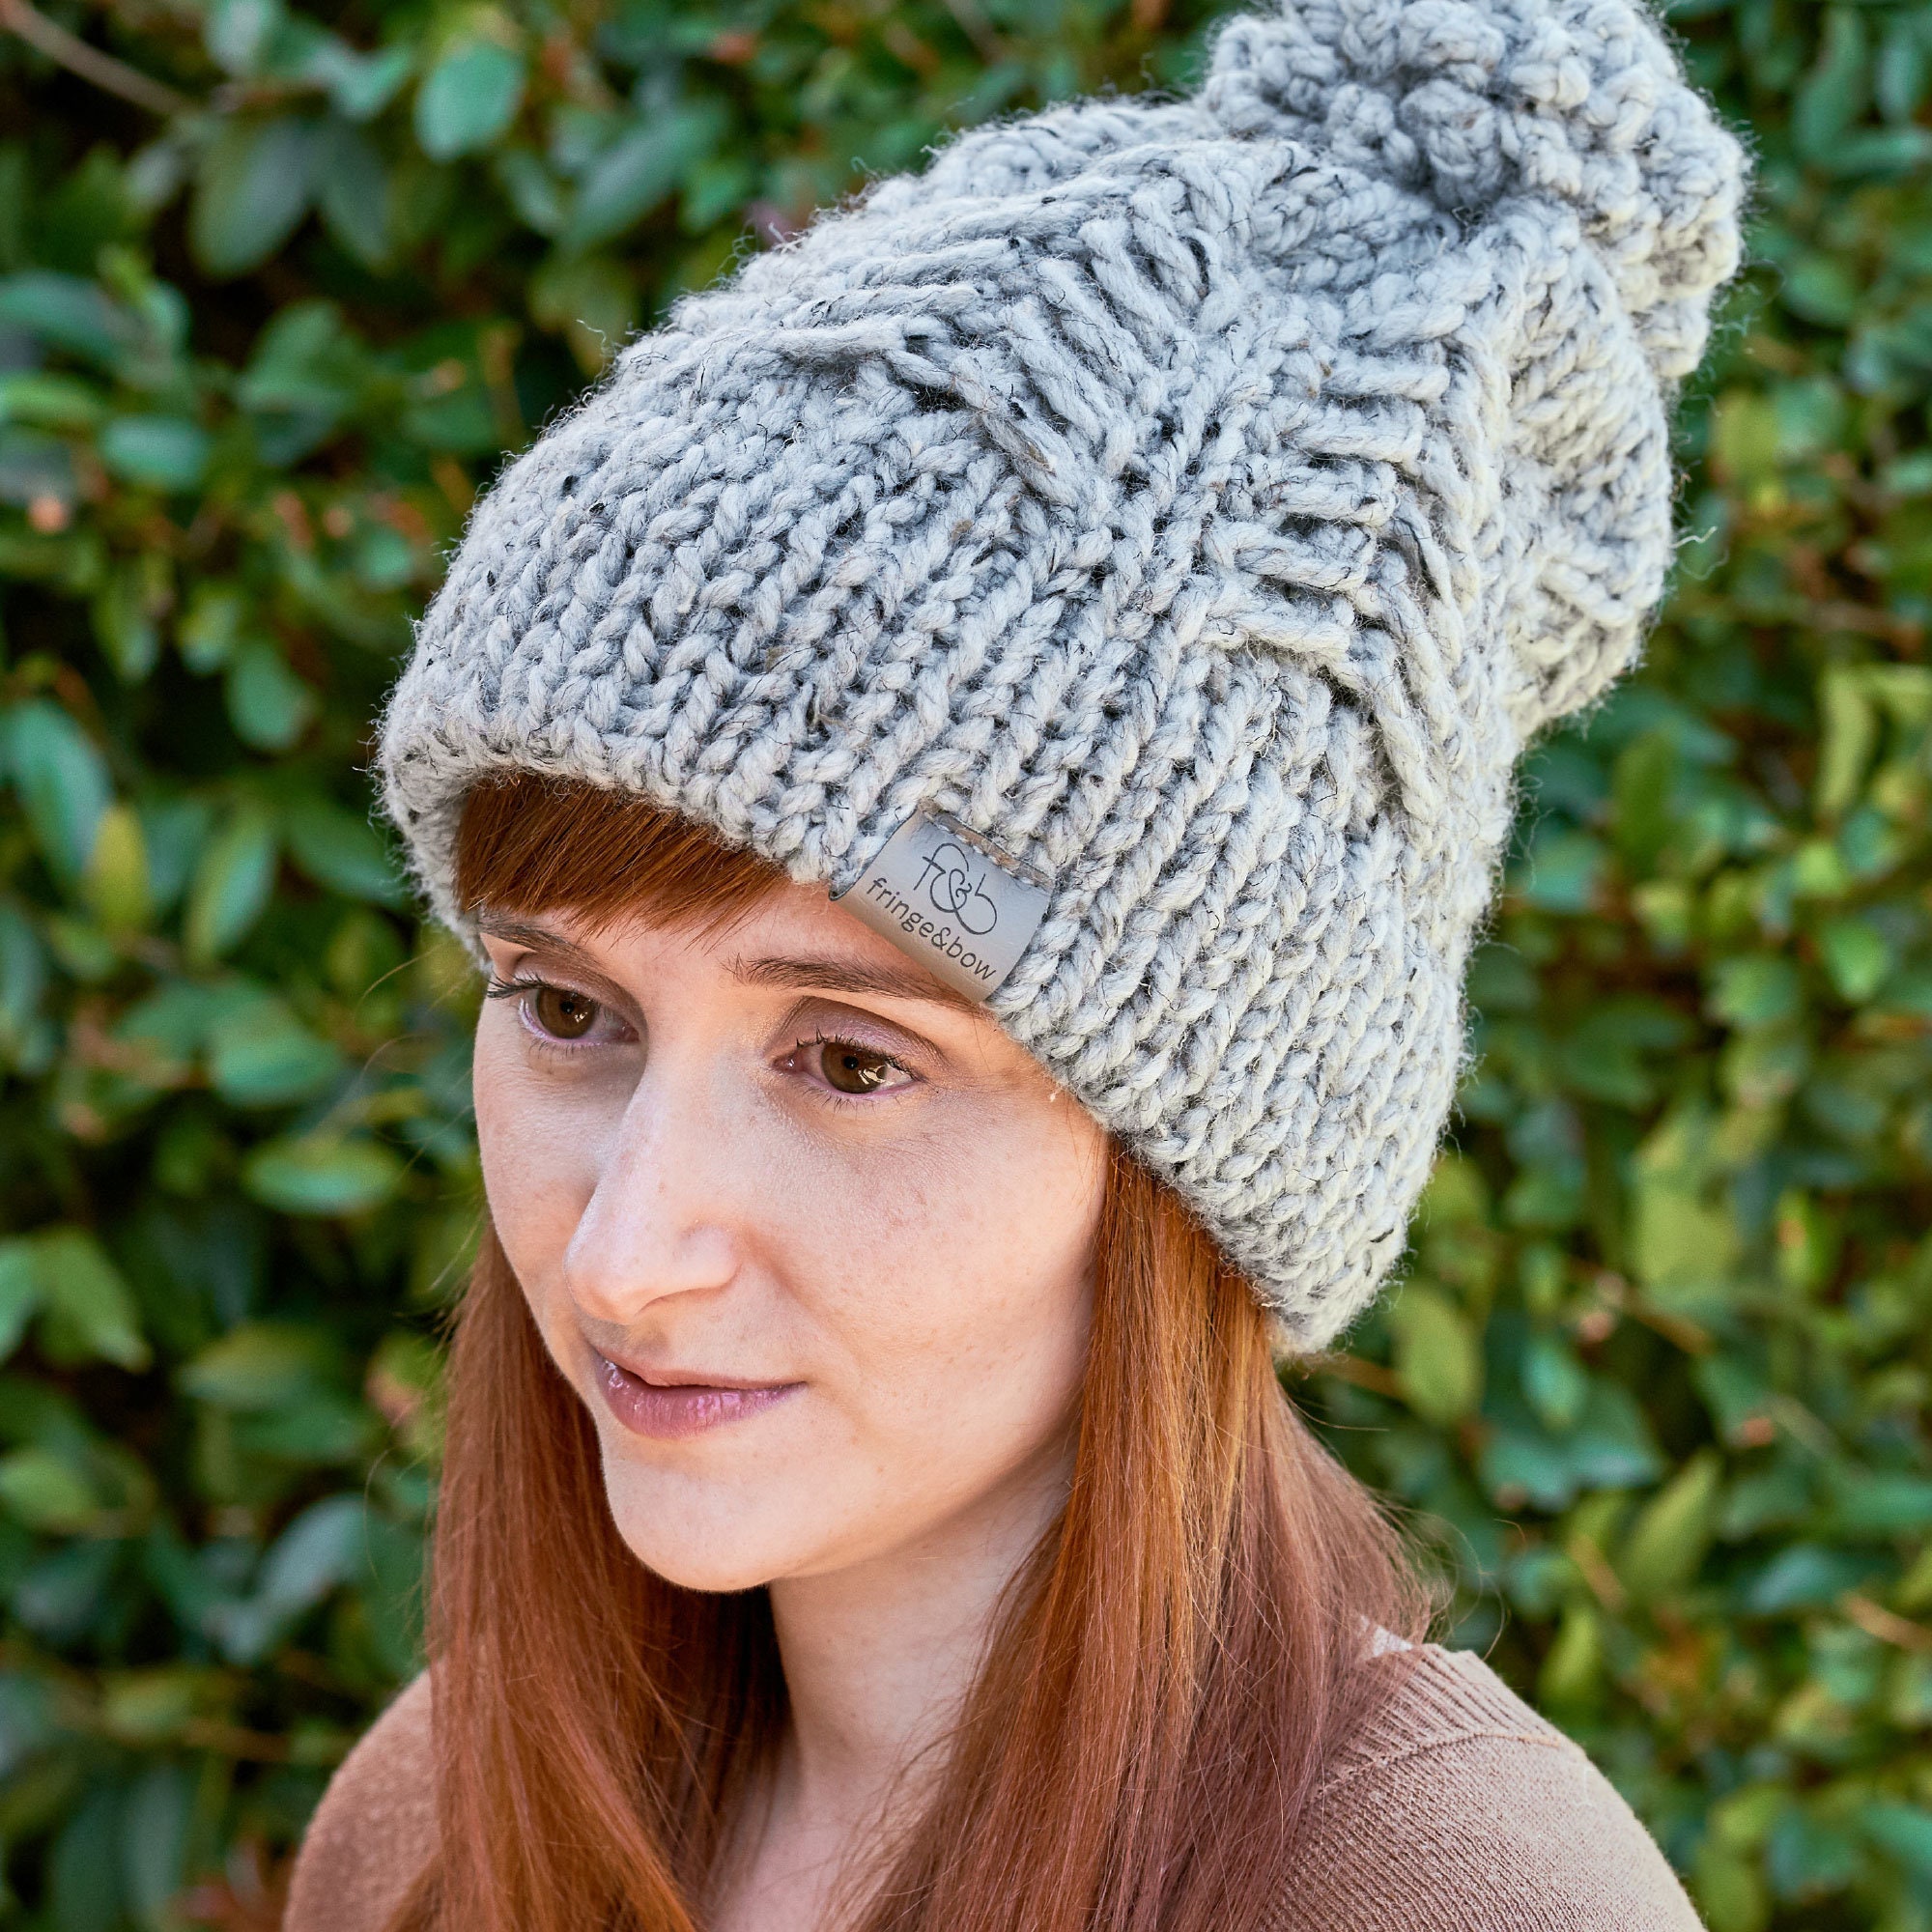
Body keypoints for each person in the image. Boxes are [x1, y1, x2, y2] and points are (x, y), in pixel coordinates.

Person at [286, 0, 1746, 1924]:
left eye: (851, 1060)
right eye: (567, 1011)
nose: (626, 1254)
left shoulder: (1454, 1903)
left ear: (1191, 1152)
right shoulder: (439, 1823)